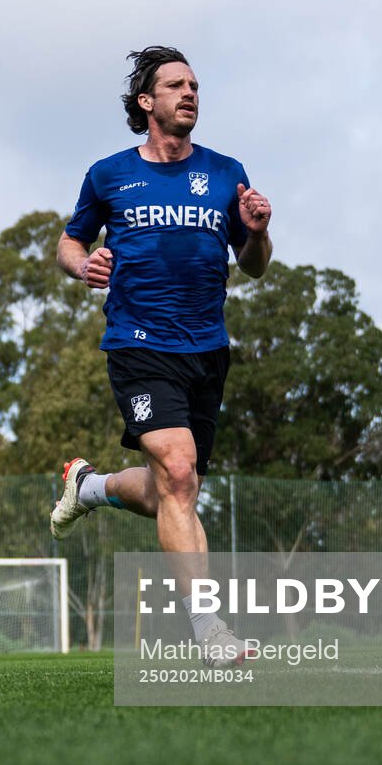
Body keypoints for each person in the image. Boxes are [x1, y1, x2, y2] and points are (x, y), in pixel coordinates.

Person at [48, 46, 274, 659]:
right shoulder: (109, 173)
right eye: (175, 85)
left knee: (175, 488)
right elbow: (70, 242)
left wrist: (256, 232)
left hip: (206, 349)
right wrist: (82, 264)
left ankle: (90, 488)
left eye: (195, 84)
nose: (190, 93)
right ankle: (210, 631)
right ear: (147, 102)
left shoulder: (227, 173)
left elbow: (253, 269)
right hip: (138, 342)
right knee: (178, 471)